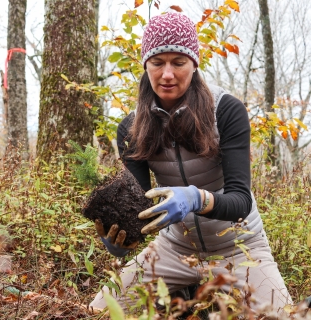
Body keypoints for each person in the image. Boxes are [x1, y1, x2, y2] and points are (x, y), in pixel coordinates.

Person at [89, 12, 292, 313]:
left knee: (286, 317)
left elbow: (240, 201)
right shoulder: (131, 128)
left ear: (194, 64)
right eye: (157, 63)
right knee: (99, 312)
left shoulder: (226, 110)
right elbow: (140, 208)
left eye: (178, 62)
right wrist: (121, 238)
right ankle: (183, 293)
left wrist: (196, 198)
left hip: (239, 246)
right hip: (175, 248)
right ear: (146, 65)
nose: (167, 74)